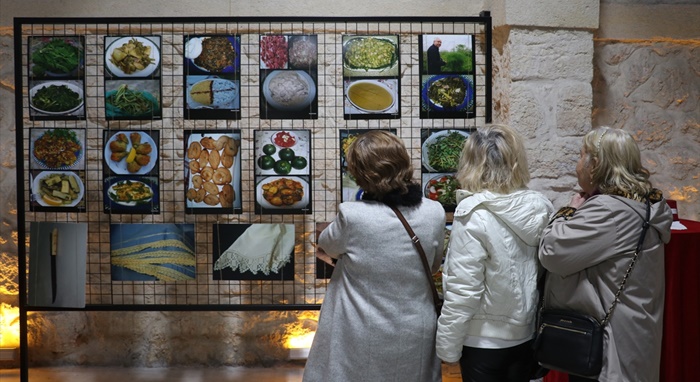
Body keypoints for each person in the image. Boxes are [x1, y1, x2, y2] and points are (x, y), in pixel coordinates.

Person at [303, 130, 446, 382]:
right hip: (415, 327)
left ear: (360, 173)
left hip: (360, 328)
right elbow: (433, 264)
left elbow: (327, 244)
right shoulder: (434, 211)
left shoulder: (353, 215)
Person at [538, 127, 673, 382]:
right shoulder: (641, 203)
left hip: (609, 350)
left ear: (595, 165)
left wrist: (567, 210)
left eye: (580, 156)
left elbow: (551, 252)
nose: (577, 164)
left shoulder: (609, 212)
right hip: (630, 336)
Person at [435, 124, 554, 382]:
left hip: (483, 339)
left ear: (471, 162)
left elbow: (463, 289)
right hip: (526, 334)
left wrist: (448, 347)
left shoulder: (473, 212)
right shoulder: (540, 206)